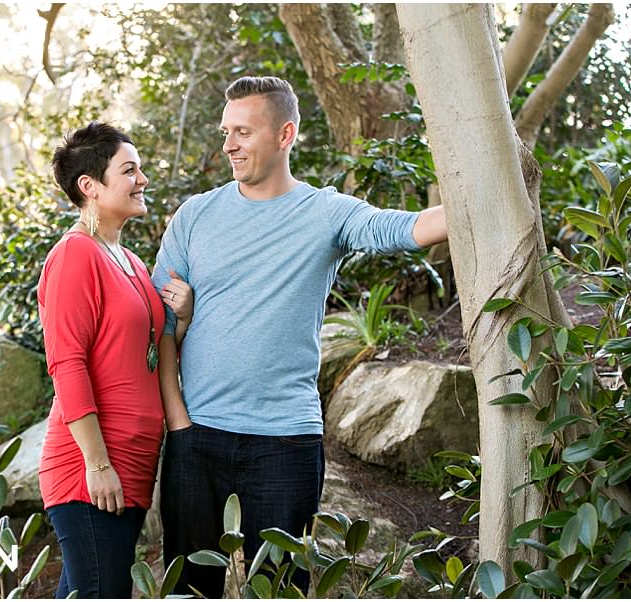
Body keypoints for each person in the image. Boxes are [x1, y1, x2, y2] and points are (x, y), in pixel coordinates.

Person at [152, 76, 447, 597]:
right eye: (226, 131)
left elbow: (400, 229)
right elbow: (159, 323)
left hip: (285, 440)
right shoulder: (195, 216)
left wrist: (488, 194)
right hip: (196, 437)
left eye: (243, 131)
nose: (229, 145)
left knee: (282, 586)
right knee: (188, 589)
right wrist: (178, 421)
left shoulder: (325, 212)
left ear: (285, 134)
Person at [37, 121, 192, 598]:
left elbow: (144, 354)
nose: (142, 179)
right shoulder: (75, 255)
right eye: (129, 170)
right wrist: (98, 463)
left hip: (133, 461)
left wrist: (181, 318)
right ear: (90, 186)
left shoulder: (129, 260)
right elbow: (68, 362)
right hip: (92, 467)